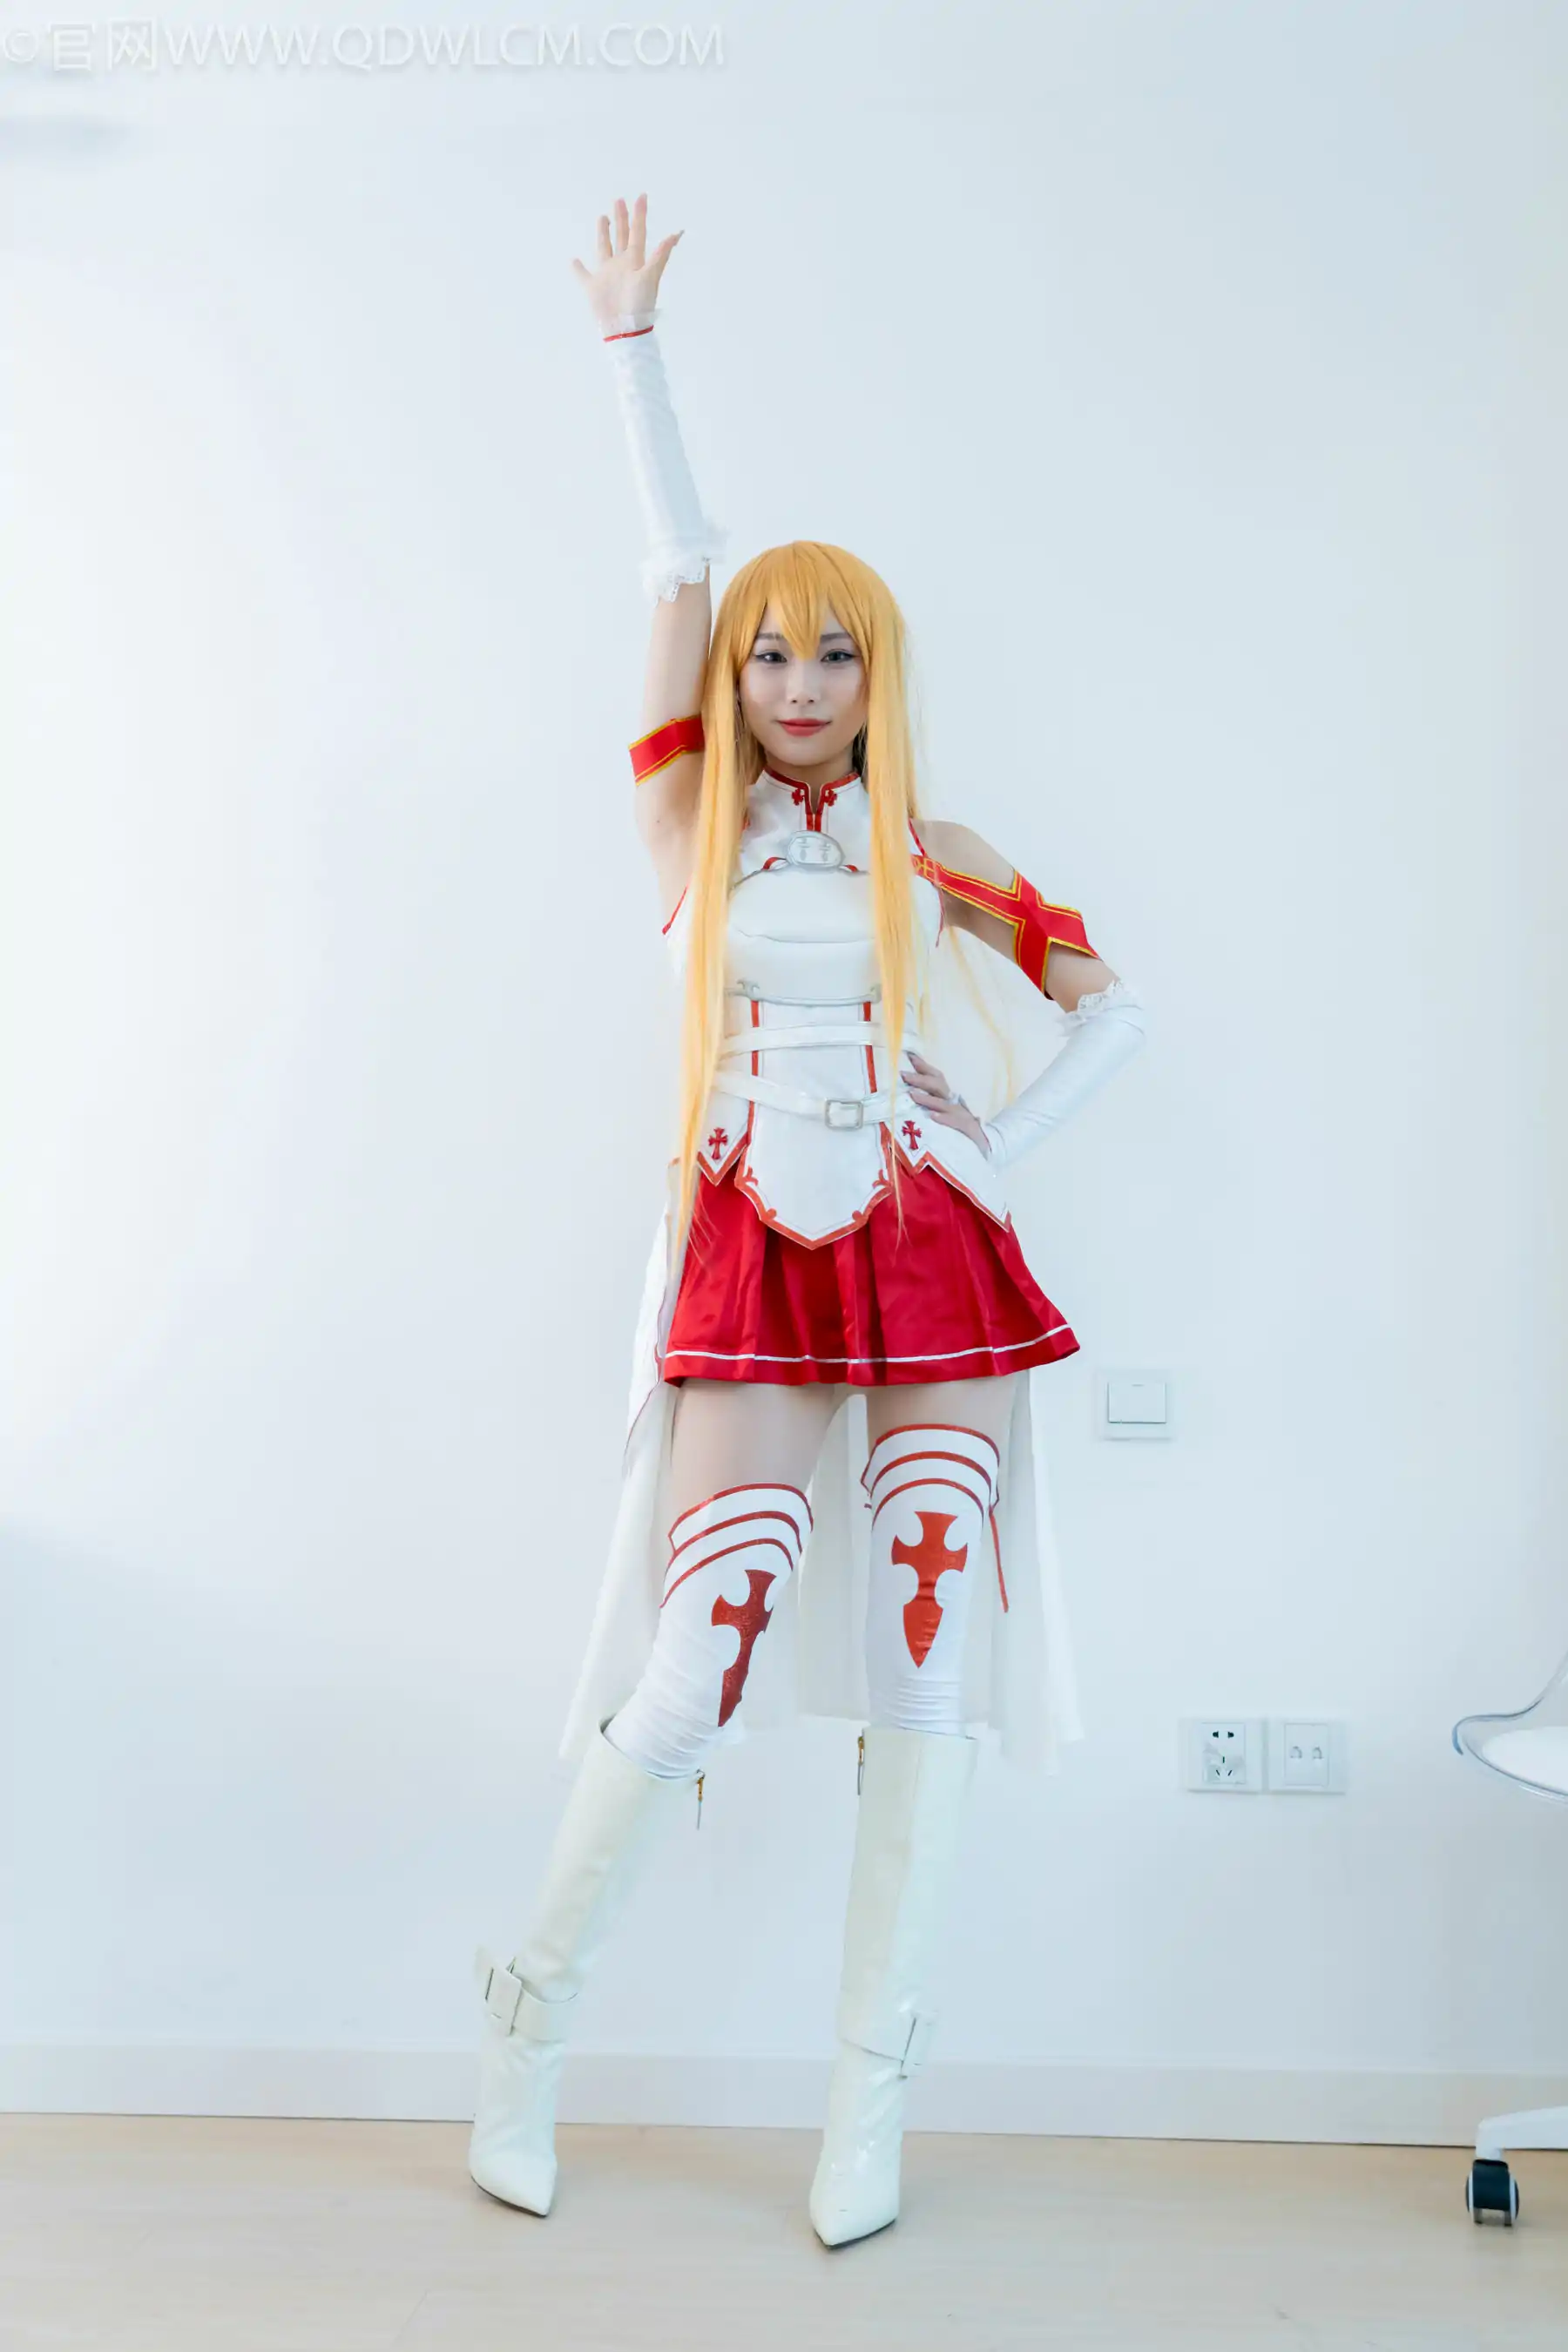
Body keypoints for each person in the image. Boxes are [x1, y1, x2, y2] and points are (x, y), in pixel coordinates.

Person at [468, 194, 1149, 2247]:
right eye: (774, 649)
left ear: (880, 673)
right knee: (703, 1650)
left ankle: (872, 2107)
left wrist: (996, 1136)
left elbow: (1119, 1007)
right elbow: (674, 565)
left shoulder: (935, 850)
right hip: (753, 1244)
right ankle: (526, 2027)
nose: (796, 678)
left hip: (934, 1251)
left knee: (930, 1661)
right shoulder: (691, 828)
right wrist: (633, 354)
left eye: (834, 649)